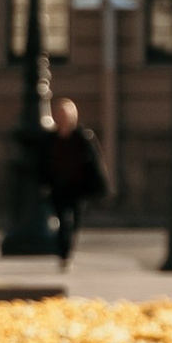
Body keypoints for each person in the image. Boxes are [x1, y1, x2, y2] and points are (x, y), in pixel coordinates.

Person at [37, 94, 106, 268]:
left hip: (77, 187)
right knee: (62, 220)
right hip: (58, 186)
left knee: (74, 221)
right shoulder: (50, 139)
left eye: (65, 116)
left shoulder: (82, 137)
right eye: (59, 115)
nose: (62, 119)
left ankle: (67, 250)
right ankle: (64, 253)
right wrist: (44, 183)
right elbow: (43, 163)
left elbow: (94, 161)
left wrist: (98, 184)